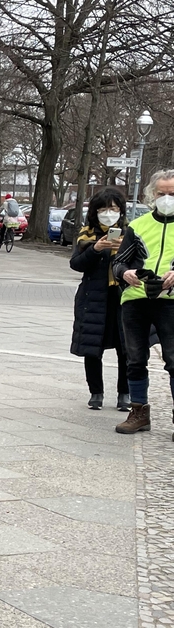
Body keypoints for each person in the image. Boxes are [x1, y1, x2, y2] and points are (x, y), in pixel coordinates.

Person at [112, 169, 174, 437]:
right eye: (162, 194)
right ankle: (138, 412)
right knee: (134, 359)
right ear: (152, 195)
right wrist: (124, 273)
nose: (167, 198)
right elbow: (119, 262)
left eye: (173, 194)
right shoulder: (138, 226)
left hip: (170, 302)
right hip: (136, 299)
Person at [69, 187, 130, 411]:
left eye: (113, 208)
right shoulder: (87, 235)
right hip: (93, 298)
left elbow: (141, 264)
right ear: (95, 212)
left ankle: (125, 392)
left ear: (120, 211)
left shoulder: (130, 234)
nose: (108, 213)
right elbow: (76, 264)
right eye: (103, 209)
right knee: (92, 347)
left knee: (126, 349)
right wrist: (95, 248)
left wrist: (123, 251)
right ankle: (96, 392)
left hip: (123, 298)